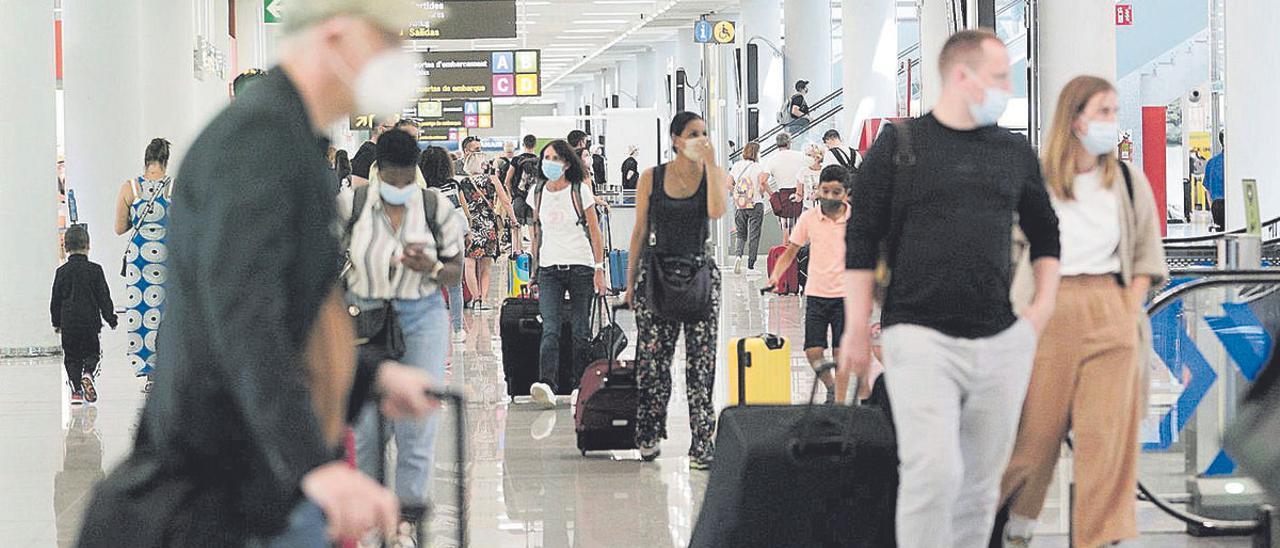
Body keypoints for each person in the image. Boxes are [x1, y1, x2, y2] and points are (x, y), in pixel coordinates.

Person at [76, 3, 443, 545]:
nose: (397, 57)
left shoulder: (288, 138)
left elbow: (288, 314)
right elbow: (243, 318)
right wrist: (313, 467)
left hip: (260, 481)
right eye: (387, 40)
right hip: (225, 488)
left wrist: (373, 378)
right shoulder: (257, 143)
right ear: (338, 36)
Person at [838, 29, 1061, 548]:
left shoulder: (1013, 150)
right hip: (918, 334)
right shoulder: (899, 145)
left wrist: (1041, 309)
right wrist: (853, 325)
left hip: (999, 339)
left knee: (981, 487)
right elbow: (860, 238)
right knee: (932, 470)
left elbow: (1047, 232)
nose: (1008, 87)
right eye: (1000, 76)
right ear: (962, 76)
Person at [996, 75, 1167, 548]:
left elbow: (1147, 256)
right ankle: (1013, 525)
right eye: (1104, 111)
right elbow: (1013, 250)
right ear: (1075, 119)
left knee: (1104, 438)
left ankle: (1098, 537)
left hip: (1110, 307)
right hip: (1048, 308)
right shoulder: (1038, 183)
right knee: (1033, 436)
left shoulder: (1128, 182)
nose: (1113, 122)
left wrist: (1127, 312)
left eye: (1114, 111)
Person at [341, 129, 466, 543]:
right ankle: (377, 518)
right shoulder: (351, 206)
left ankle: (407, 520)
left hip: (422, 316)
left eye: (404, 179)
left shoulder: (435, 207)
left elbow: (455, 269)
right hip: (364, 316)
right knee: (367, 424)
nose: (398, 187)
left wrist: (429, 266)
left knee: (418, 418)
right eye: (391, 178)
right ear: (378, 171)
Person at [624, 112, 727, 470]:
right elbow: (639, 230)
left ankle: (703, 442)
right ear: (675, 140)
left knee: (701, 365)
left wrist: (712, 164)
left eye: (704, 132)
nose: (700, 138)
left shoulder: (712, 175)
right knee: (653, 363)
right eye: (692, 133)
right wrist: (629, 283)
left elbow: (716, 211)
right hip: (656, 273)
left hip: (700, 275)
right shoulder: (652, 177)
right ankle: (649, 433)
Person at [527, 139, 610, 408]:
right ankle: (547, 384)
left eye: (554, 158)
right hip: (549, 269)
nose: (548, 162)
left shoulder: (579, 190)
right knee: (549, 327)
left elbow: (595, 232)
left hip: (581, 267)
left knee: (580, 330)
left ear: (566, 163)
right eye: (545, 157)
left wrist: (599, 269)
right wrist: (534, 269)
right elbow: (536, 232)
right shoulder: (536, 192)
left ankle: (579, 384)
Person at [768, 165, 852, 405]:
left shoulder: (854, 218)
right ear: (817, 191)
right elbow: (791, 250)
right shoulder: (809, 218)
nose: (830, 197)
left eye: (836, 192)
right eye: (825, 191)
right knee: (813, 352)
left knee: (840, 353)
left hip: (845, 296)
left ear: (845, 193)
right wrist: (776, 275)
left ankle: (841, 404)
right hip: (816, 294)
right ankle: (831, 386)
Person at [113, 137, 173, 392]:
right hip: (167, 259)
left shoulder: (130, 188)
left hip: (139, 262)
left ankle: (149, 373)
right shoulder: (173, 188)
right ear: (165, 162)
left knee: (142, 315)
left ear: (146, 161)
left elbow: (119, 228)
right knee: (166, 314)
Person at [51, 225, 118, 405]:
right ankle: (88, 373)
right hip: (90, 322)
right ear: (88, 245)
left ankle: (76, 390)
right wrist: (111, 318)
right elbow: (104, 297)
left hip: (69, 323)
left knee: (71, 357)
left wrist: (56, 322)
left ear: (65, 247)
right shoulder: (95, 270)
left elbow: (55, 300)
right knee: (92, 353)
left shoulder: (61, 272)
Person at [420, 145, 472, 342]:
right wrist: (469, 232)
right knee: (455, 287)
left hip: (430, 240)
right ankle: (458, 330)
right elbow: (464, 211)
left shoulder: (422, 189)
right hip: (454, 239)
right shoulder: (453, 186)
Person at [460, 149, 519, 310]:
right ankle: (483, 300)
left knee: (470, 264)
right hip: (488, 227)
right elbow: (505, 201)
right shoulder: (492, 179)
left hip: (470, 227)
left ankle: (474, 298)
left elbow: (461, 205)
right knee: (486, 266)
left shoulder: (463, 182)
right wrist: (513, 220)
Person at [728, 141, 770, 274]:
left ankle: (738, 257)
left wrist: (737, 193)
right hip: (755, 204)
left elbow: (728, 183)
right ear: (756, 153)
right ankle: (751, 266)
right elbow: (762, 184)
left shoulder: (736, 165)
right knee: (754, 236)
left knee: (741, 234)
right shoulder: (758, 167)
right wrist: (761, 192)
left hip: (740, 205)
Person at [764, 132, 807, 241]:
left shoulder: (772, 160)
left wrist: (772, 195)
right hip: (799, 193)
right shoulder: (800, 156)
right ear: (789, 143)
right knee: (799, 230)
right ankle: (798, 256)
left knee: (786, 229)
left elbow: (763, 181)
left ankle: (786, 254)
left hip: (782, 196)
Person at [352, 115, 396, 185]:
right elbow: (358, 186)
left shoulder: (378, 152)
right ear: (381, 129)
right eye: (393, 128)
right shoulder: (367, 154)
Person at [1205, 130, 1225, 228]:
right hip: (1230, 205)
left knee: (1220, 237)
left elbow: (1207, 190)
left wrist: (1212, 209)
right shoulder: (1236, 163)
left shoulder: (1211, 163)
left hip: (1216, 207)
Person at [800, 143, 825, 210]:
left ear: (817, 156)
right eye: (806, 155)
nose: (807, 158)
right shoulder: (802, 171)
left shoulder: (825, 170)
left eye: (809, 155)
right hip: (808, 207)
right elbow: (799, 192)